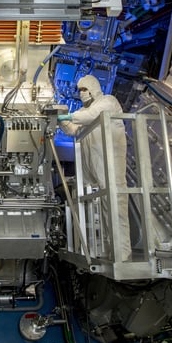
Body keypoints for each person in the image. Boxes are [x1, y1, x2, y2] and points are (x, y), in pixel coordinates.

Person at [57, 75, 130, 261]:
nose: (81, 94)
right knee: (96, 209)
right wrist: (60, 117)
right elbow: (73, 130)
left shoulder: (108, 101)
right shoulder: (82, 111)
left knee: (114, 207)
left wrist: (67, 114)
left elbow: (89, 116)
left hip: (109, 163)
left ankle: (122, 255)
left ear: (93, 88)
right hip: (91, 168)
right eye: (79, 90)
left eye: (84, 89)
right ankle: (102, 252)